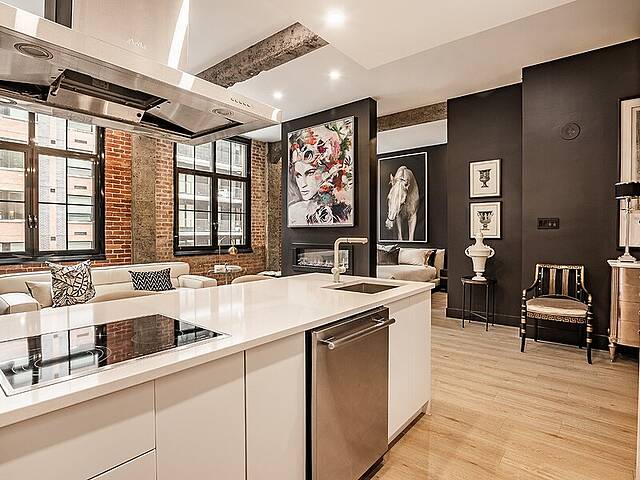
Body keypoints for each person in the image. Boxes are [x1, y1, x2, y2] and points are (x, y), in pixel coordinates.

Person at [287, 122, 353, 226]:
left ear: (328, 172)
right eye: (298, 175)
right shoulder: (293, 212)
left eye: (310, 173)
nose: (303, 184)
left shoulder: (346, 210)